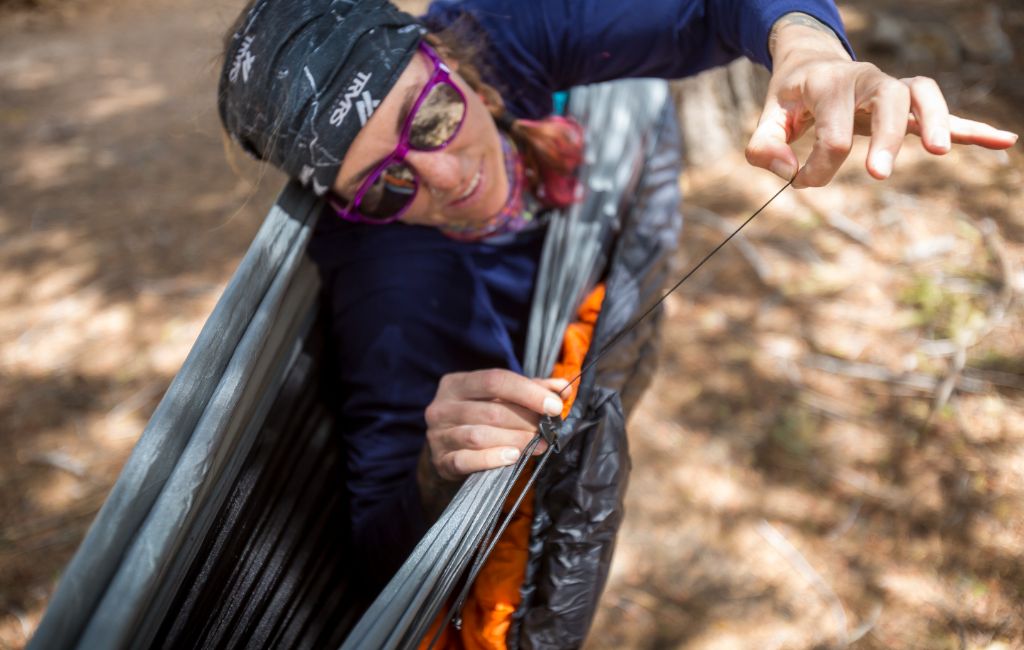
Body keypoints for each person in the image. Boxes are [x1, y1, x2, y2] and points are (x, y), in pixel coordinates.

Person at [217, 0, 1016, 642]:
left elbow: (706, 9)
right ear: (354, 204)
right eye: (384, 186)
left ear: (445, 59)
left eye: (429, 119)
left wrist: (804, 43)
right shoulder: (392, 284)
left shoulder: (492, 33)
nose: (450, 175)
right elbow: (377, 557)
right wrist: (439, 465)